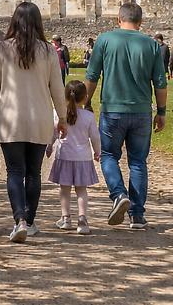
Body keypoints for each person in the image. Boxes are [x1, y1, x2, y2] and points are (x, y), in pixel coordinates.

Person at [0, 2, 68, 243]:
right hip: (39, 117)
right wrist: (61, 118)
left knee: (15, 172)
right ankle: (29, 221)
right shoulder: (49, 51)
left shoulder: (2, 48)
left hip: (11, 117)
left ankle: (19, 218)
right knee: (33, 173)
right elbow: (57, 88)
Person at [84, 2, 168, 231]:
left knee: (109, 155)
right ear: (141, 22)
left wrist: (86, 102)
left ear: (118, 19)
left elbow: (91, 76)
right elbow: (160, 82)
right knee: (138, 162)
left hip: (113, 109)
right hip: (141, 110)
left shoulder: (104, 40)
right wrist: (161, 112)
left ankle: (119, 194)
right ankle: (138, 214)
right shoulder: (151, 44)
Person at [48, 80, 102, 235]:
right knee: (81, 190)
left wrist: (49, 146)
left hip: (64, 155)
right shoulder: (88, 116)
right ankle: (82, 219)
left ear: (65, 97)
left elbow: (52, 133)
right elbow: (95, 137)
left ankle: (65, 218)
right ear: (85, 97)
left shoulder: (59, 114)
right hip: (83, 158)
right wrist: (97, 152)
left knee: (64, 190)